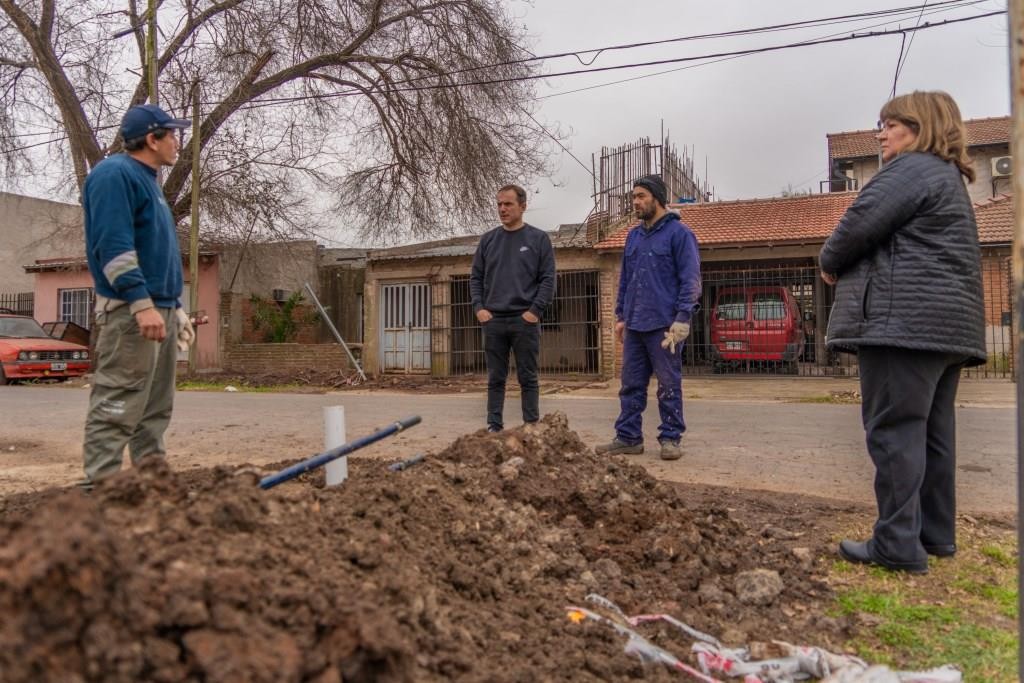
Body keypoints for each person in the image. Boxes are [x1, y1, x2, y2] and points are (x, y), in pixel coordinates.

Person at [819, 91, 986, 574]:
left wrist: (830, 263)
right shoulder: (946, 177)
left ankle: (895, 545)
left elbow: (855, 226)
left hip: (902, 326)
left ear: (917, 127)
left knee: (893, 432)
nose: (880, 134)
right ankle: (934, 535)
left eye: (889, 124)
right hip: (946, 328)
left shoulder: (910, 170)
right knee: (932, 434)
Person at [79, 104, 196, 488]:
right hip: (131, 313)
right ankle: (102, 490)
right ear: (152, 138)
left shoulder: (149, 183)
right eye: (172, 134)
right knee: (118, 403)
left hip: (156, 309)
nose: (177, 142)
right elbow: (112, 247)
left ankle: (151, 485)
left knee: (153, 409)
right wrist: (142, 304)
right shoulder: (115, 174)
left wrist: (173, 307)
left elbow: (154, 253)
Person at [595, 175, 701, 460]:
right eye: (633, 197)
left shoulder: (680, 234)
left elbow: (690, 280)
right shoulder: (634, 236)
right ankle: (628, 436)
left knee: (668, 383)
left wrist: (682, 318)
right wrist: (620, 316)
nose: (636, 202)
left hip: (665, 327)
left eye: (641, 196)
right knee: (630, 384)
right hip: (635, 324)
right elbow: (626, 280)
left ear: (657, 197)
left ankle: (670, 438)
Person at [470, 184, 556, 432]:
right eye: (499, 204)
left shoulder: (539, 239)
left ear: (523, 206)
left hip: (524, 320)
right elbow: (475, 278)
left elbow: (548, 279)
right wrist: (479, 308)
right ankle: (493, 425)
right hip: (493, 320)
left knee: (527, 377)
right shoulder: (488, 240)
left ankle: (530, 425)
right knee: (496, 378)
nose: (502, 209)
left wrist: (534, 311)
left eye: (508, 204)